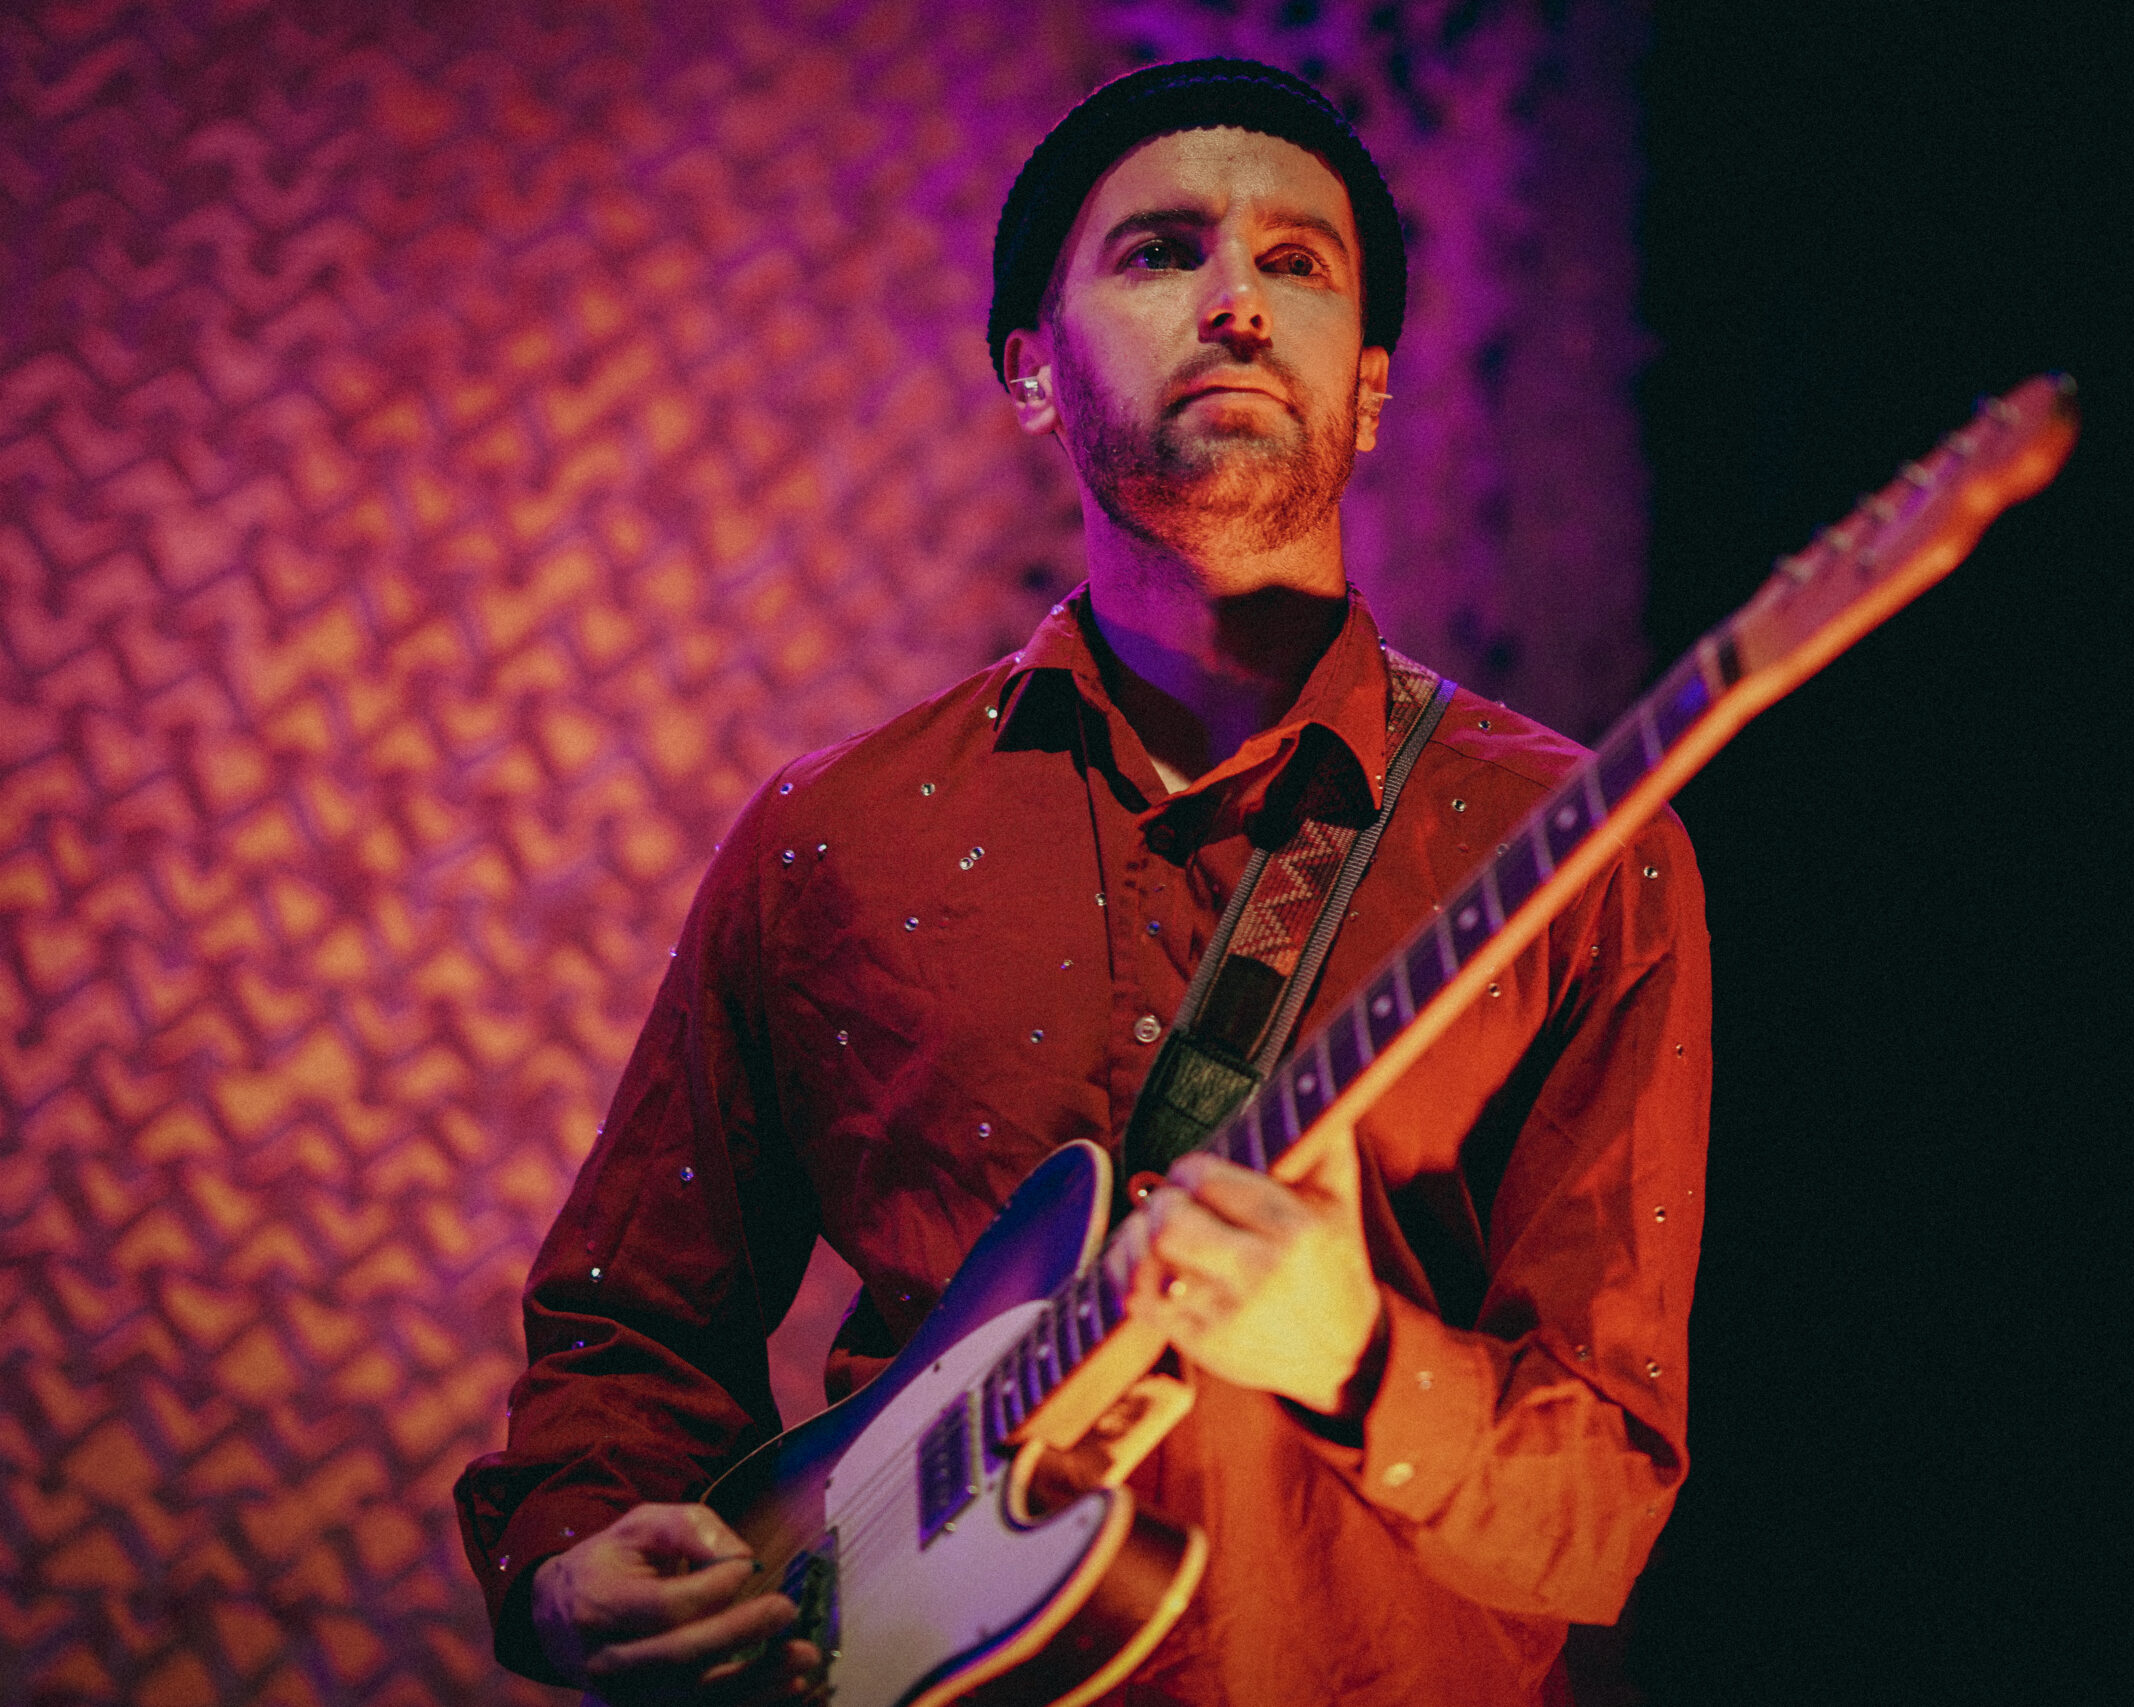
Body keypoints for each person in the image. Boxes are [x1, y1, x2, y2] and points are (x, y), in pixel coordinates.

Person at [455, 58, 1710, 1706]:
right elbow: (628, 1327)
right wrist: (572, 1563)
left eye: (1297, 263)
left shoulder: (1575, 844)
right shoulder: (834, 831)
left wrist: (1353, 1356)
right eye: (1162, 252)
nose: (1237, 302)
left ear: (1370, 389)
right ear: (1033, 374)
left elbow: (1602, 1513)